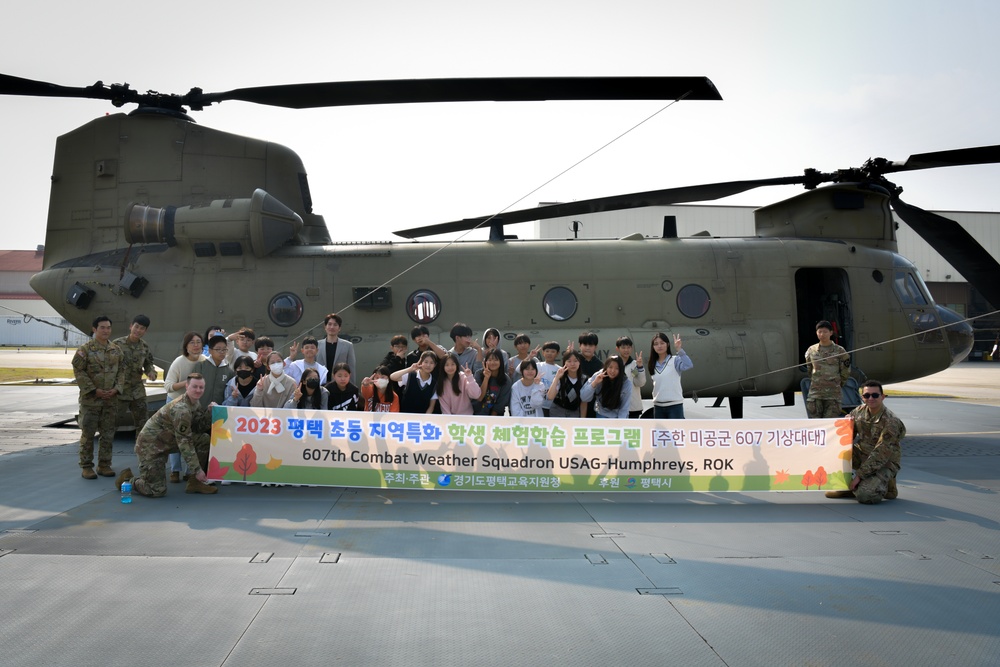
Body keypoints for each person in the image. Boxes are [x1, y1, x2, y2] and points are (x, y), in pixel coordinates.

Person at [114, 373, 217, 497]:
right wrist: (197, 470)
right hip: (150, 447)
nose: (198, 390)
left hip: (167, 440)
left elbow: (198, 428)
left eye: (201, 387)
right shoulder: (181, 409)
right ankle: (127, 480)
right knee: (157, 491)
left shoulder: (194, 402)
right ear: (186, 386)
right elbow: (185, 442)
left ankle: (195, 483)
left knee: (203, 439)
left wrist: (209, 413)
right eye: (195, 387)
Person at [827, 380, 905, 503]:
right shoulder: (858, 412)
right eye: (866, 395)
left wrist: (859, 476)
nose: (871, 398)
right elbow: (847, 439)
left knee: (865, 496)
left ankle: (888, 484)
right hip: (863, 455)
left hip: (885, 462)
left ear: (883, 397)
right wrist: (846, 425)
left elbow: (881, 452)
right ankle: (845, 485)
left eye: (875, 395)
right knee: (836, 451)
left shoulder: (891, 421)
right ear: (862, 397)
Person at [72, 315, 125, 479]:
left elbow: (122, 371)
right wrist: (94, 390)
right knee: (88, 435)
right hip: (91, 401)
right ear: (94, 329)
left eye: (108, 327)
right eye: (102, 327)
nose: (106, 330)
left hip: (110, 400)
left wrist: (117, 389)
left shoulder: (116, 350)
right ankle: (87, 466)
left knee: (108, 434)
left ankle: (104, 465)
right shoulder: (85, 350)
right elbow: (78, 371)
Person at [163, 331, 205, 482]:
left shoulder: (204, 361)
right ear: (186, 346)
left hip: (193, 405)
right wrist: (187, 383)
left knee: (191, 436)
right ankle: (175, 470)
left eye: (198, 342)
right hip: (175, 403)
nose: (196, 346)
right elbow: (168, 386)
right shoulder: (179, 362)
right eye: (192, 343)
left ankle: (190, 471)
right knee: (175, 437)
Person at [113, 314, 157, 435]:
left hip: (137, 391)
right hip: (119, 391)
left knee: (143, 425)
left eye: (142, 328)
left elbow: (148, 363)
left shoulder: (144, 347)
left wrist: (151, 373)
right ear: (131, 326)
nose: (138, 330)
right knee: (111, 423)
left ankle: (141, 451)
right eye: (136, 327)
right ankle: (105, 452)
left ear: (145, 331)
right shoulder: (117, 345)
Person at [805, 320, 851, 418]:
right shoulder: (811, 350)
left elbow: (845, 371)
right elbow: (809, 369)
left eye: (825, 332)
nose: (822, 334)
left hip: (833, 394)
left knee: (830, 423)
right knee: (815, 424)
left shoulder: (840, 351)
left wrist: (837, 384)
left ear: (831, 332)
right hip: (815, 394)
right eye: (819, 332)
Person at [648, 332, 693, 419]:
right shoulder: (652, 364)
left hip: (674, 406)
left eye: (662, 343)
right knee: (660, 433)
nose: (659, 346)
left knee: (675, 431)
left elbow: (689, 365)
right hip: (658, 406)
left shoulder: (675, 360)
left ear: (667, 344)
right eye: (656, 344)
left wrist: (679, 350)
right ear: (653, 347)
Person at [316, 312, 357, 385]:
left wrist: (352, 387)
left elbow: (351, 368)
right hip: (321, 385)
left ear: (339, 328)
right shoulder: (317, 345)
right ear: (325, 327)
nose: (332, 327)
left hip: (339, 386)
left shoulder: (348, 346)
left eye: (335, 325)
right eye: (329, 324)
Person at [546, 350, 588, 419]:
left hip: (574, 413)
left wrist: (582, 419)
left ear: (579, 362)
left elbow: (584, 402)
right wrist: (556, 378)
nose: (572, 364)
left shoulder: (584, 379)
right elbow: (550, 396)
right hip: (557, 412)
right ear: (564, 363)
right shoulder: (560, 377)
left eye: (575, 361)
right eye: (569, 361)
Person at [195, 334, 231, 407]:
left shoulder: (228, 371)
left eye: (224, 349)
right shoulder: (201, 366)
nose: (222, 352)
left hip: (219, 412)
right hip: (199, 410)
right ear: (210, 351)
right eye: (218, 349)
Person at [473, 349, 511, 416]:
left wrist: (491, 420)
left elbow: (500, 404)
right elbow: (479, 397)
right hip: (476, 414)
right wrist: (486, 378)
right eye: (489, 360)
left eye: (496, 360)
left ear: (501, 362)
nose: (492, 362)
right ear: (485, 361)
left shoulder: (506, 380)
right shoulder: (478, 374)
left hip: (495, 417)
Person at [615, 336, 646, 418]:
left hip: (632, 407)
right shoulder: (613, 365)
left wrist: (640, 367)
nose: (626, 350)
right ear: (617, 349)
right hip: (617, 406)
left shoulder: (634, 365)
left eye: (628, 347)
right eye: (623, 347)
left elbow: (639, 383)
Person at [576, 332, 602, 417]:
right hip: (575, 403)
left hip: (593, 404)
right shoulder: (574, 362)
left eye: (591, 345)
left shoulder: (600, 365)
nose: (587, 348)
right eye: (585, 345)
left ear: (596, 347)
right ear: (580, 345)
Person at [536, 341, 562, 416]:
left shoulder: (559, 369)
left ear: (557, 353)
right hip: (538, 405)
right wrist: (530, 357)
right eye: (547, 351)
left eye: (553, 351)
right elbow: (519, 369)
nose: (549, 354)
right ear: (543, 352)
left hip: (553, 406)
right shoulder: (538, 366)